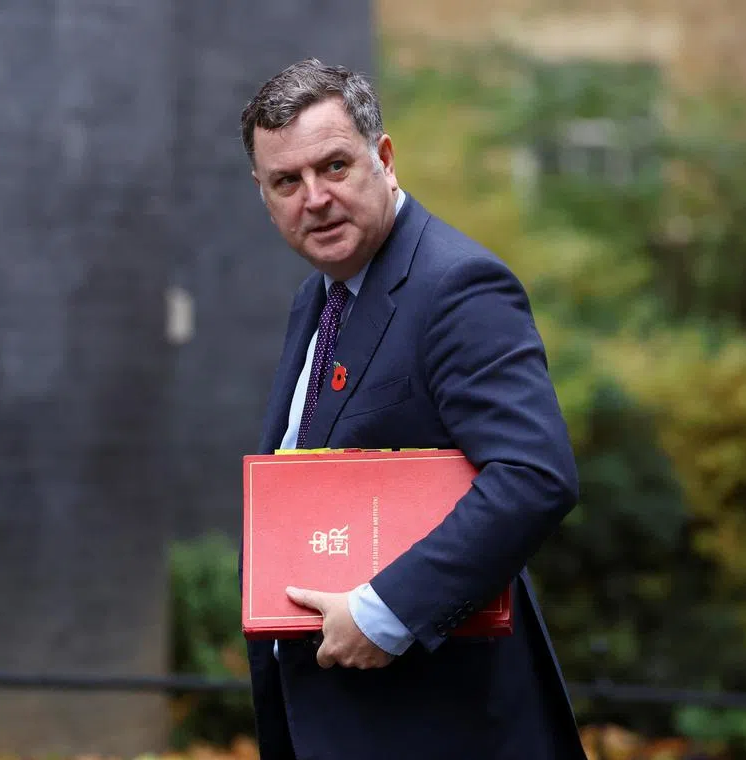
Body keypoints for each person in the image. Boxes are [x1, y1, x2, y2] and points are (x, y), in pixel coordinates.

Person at [238, 57, 586, 760]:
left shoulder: (458, 286)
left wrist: (384, 612)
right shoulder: (319, 297)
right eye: (287, 181)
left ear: (384, 157)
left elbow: (534, 475)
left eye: (334, 166)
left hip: (443, 727)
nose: (315, 198)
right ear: (264, 194)